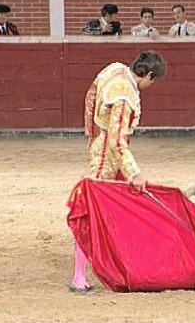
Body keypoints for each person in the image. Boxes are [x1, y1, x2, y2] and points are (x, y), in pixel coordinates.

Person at [71, 50, 167, 292]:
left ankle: (117, 263)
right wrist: (135, 172)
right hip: (108, 156)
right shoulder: (124, 95)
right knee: (92, 212)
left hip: (100, 146)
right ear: (149, 75)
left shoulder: (115, 68)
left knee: (114, 208)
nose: (151, 86)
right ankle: (78, 278)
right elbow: (116, 141)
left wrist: (91, 132)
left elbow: (91, 95)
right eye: (153, 81)